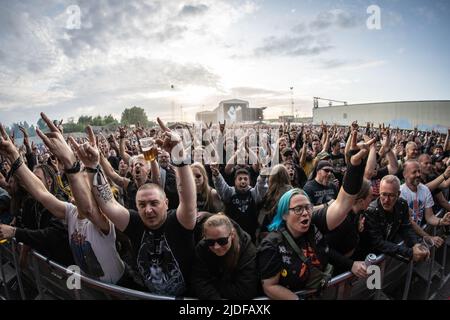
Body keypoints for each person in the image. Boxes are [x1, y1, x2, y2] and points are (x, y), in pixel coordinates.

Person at [75, 118, 197, 296]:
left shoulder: (179, 222)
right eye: (142, 205)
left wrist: (178, 154)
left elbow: (187, 198)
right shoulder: (135, 222)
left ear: (167, 203)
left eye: (154, 203)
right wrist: (93, 167)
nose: (148, 210)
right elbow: (108, 204)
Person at [0, 116, 125, 284]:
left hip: (117, 288)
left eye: (81, 187)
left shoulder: (103, 221)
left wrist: (70, 162)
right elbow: (40, 192)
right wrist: (15, 156)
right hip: (90, 288)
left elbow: (89, 210)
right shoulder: (70, 212)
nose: (73, 190)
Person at [257, 130, 373, 300]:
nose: (305, 212)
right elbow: (270, 286)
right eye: (297, 209)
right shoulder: (272, 245)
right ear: (283, 215)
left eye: (307, 207)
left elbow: (343, 204)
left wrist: (355, 166)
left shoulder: (314, 224)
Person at [361, 175, 429, 262]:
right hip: (371, 257)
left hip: (389, 254)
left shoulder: (402, 204)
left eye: (391, 195)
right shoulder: (371, 211)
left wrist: (415, 244)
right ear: (379, 192)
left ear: (398, 194)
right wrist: (410, 252)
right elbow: (378, 242)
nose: (386, 200)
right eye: (384, 194)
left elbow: (406, 227)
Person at [192, 214, 258, 299]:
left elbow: (246, 290)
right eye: (210, 242)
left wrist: (212, 284)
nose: (216, 247)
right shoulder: (202, 248)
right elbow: (198, 280)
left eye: (222, 241)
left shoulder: (247, 251)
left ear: (232, 235)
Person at [211, 165, 268, 242]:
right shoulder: (230, 192)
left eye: (245, 179)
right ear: (235, 181)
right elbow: (221, 186)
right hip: (232, 233)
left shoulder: (253, 193)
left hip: (250, 234)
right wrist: (217, 175)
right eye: (240, 179)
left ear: (249, 181)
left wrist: (263, 176)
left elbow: (261, 187)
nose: (243, 181)